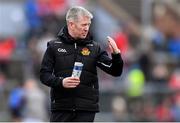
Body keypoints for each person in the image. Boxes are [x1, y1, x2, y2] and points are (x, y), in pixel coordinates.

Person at [40, 6, 123, 122]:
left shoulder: (94, 48)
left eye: (88, 25)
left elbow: (115, 71)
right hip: (61, 108)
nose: (87, 28)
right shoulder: (54, 46)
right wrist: (61, 82)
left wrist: (116, 54)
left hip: (86, 110)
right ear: (71, 24)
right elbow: (44, 75)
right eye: (83, 25)